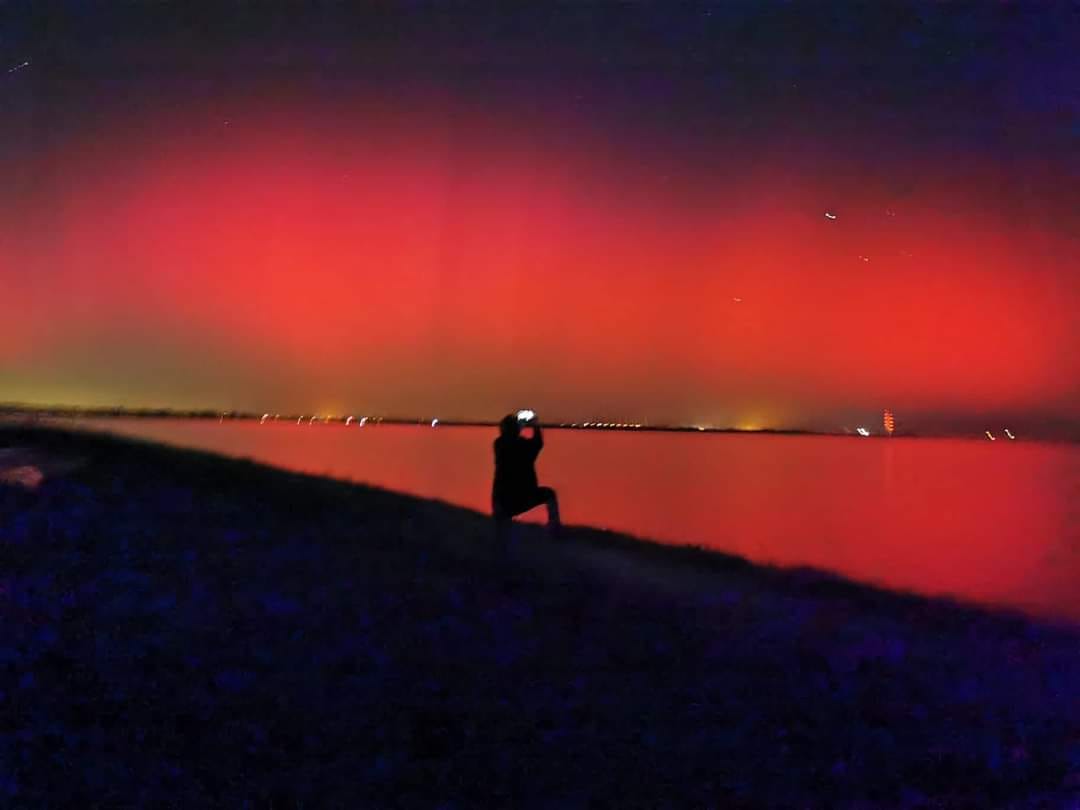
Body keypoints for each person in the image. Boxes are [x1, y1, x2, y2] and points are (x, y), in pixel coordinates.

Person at [492, 411, 561, 547]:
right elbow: (538, 443)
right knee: (549, 494)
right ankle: (555, 531)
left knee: (502, 523)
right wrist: (534, 424)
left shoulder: (499, 445)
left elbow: (515, 438)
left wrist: (521, 425)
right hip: (523, 498)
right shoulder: (523, 446)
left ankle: (500, 534)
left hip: (502, 502)